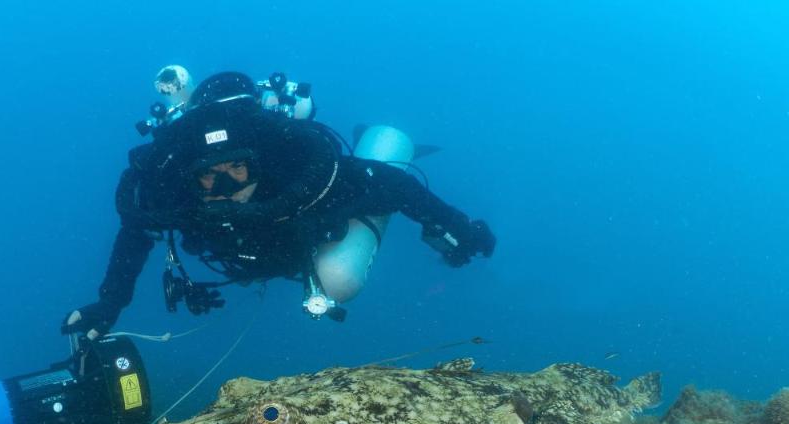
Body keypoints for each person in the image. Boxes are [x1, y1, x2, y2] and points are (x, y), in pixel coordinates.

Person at [62, 71, 495, 340]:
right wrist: (109, 304)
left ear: (260, 164)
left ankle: (384, 141)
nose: (226, 187)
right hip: (267, 253)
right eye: (209, 175)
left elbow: (393, 183)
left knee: (339, 279)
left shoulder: (292, 170)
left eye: (238, 169)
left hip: (312, 240)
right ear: (190, 178)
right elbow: (136, 230)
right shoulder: (176, 193)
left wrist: (458, 227)